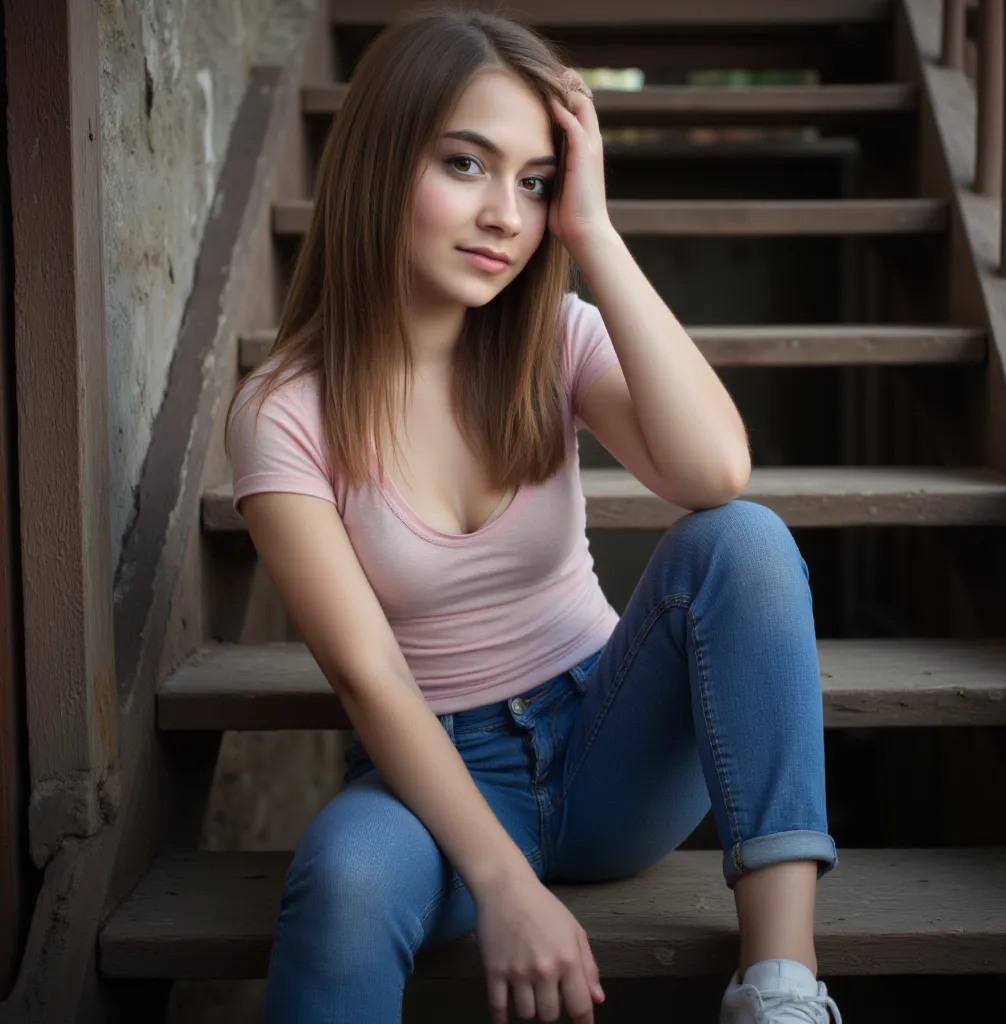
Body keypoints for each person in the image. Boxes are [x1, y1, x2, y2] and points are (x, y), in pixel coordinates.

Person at [225, 9, 841, 1023]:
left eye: (534, 181)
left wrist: (592, 232)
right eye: (466, 164)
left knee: (742, 541)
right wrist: (504, 881)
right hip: (436, 780)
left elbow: (715, 469)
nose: (507, 215)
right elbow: (365, 673)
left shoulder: (554, 335)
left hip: (608, 742)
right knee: (341, 885)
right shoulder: (284, 411)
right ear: (382, 161)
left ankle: (779, 986)